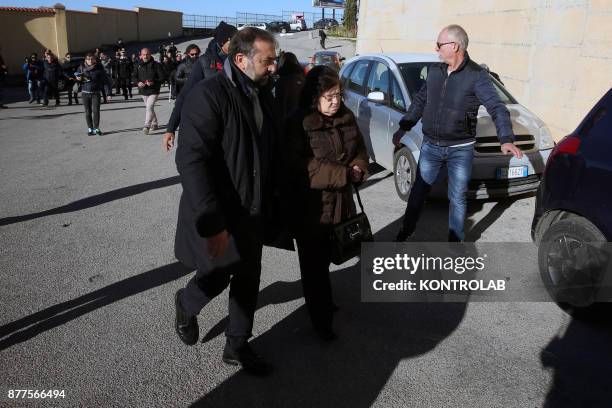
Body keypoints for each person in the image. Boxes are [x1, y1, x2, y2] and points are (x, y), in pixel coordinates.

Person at [173, 27, 279, 376]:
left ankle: (237, 345)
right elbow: (191, 160)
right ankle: (186, 304)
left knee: (249, 277)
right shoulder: (209, 95)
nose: (273, 68)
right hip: (220, 211)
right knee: (216, 275)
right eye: (267, 61)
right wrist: (212, 220)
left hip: (253, 210)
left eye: (274, 60)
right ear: (240, 59)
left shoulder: (263, 93)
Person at [393, 24, 523, 242]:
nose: (436, 49)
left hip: (460, 149)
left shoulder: (477, 76)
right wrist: (404, 127)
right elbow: (420, 101)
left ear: (454, 46)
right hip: (431, 146)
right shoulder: (435, 72)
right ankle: (406, 230)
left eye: (439, 45)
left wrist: (506, 139)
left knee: (458, 197)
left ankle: (455, 242)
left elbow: (497, 108)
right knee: (418, 191)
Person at [284, 65, 368, 340]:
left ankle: (324, 301)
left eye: (339, 95)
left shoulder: (346, 116)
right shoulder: (298, 122)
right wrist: (343, 174)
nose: (336, 102)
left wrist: (358, 168)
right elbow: (299, 167)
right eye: (330, 96)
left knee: (332, 256)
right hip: (311, 209)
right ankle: (321, 322)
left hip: (342, 204)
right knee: (313, 267)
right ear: (314, 96)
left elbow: (360, 150)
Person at [163, 21, 237, 151]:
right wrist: (171, 128)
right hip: (211, 123)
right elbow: (184, 96)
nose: (238, 45)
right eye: (234, 40)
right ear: (223, 41)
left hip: (234, 123)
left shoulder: (238, 60)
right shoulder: (204, 62)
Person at [75, 53, 106, 135]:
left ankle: (96, 128)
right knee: (88, 112)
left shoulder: (99, 67)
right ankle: (90, 128)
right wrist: (78, 78)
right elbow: (77, 77)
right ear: (86, 60)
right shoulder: (81, 67)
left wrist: (108, 93)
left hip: (96, 93)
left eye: (92, 59)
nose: (90, 61)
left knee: (96, 111)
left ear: (95, 59)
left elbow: (104, 79)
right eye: (88, 59)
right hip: (85, 93)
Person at [135, 48, 164, 134]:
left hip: (154, 90)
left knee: (149, 106)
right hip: (143, 90)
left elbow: (162, 78)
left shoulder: (156, 65)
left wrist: (153, 82)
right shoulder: (137, 65)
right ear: (140, 55)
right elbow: (134, 76)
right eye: (143, 54)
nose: (145, 56)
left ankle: (146, 125)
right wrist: (138, 82)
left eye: (147, 54)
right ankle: (154, 123)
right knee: (149, 108)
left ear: (150, 54)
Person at [274, 51, 305, 120]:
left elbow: (280, 105)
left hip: (288, 120)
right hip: (302, 118)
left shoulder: (281, 81)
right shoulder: (303, 79)